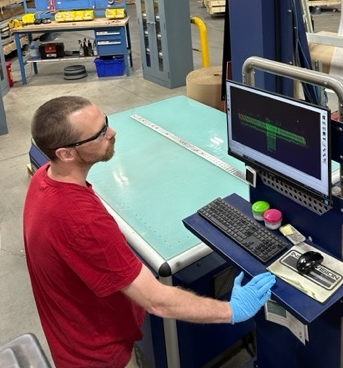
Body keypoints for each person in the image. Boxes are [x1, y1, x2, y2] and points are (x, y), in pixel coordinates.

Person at [23, 96, 276, 368]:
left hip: (70, 331)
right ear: (66, 154)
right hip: (97, 355)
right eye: (99, 133)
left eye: (106, 122)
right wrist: (232, 310)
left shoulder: (46, 176)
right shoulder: (82, 221)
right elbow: (157, 302)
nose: (112, 132)